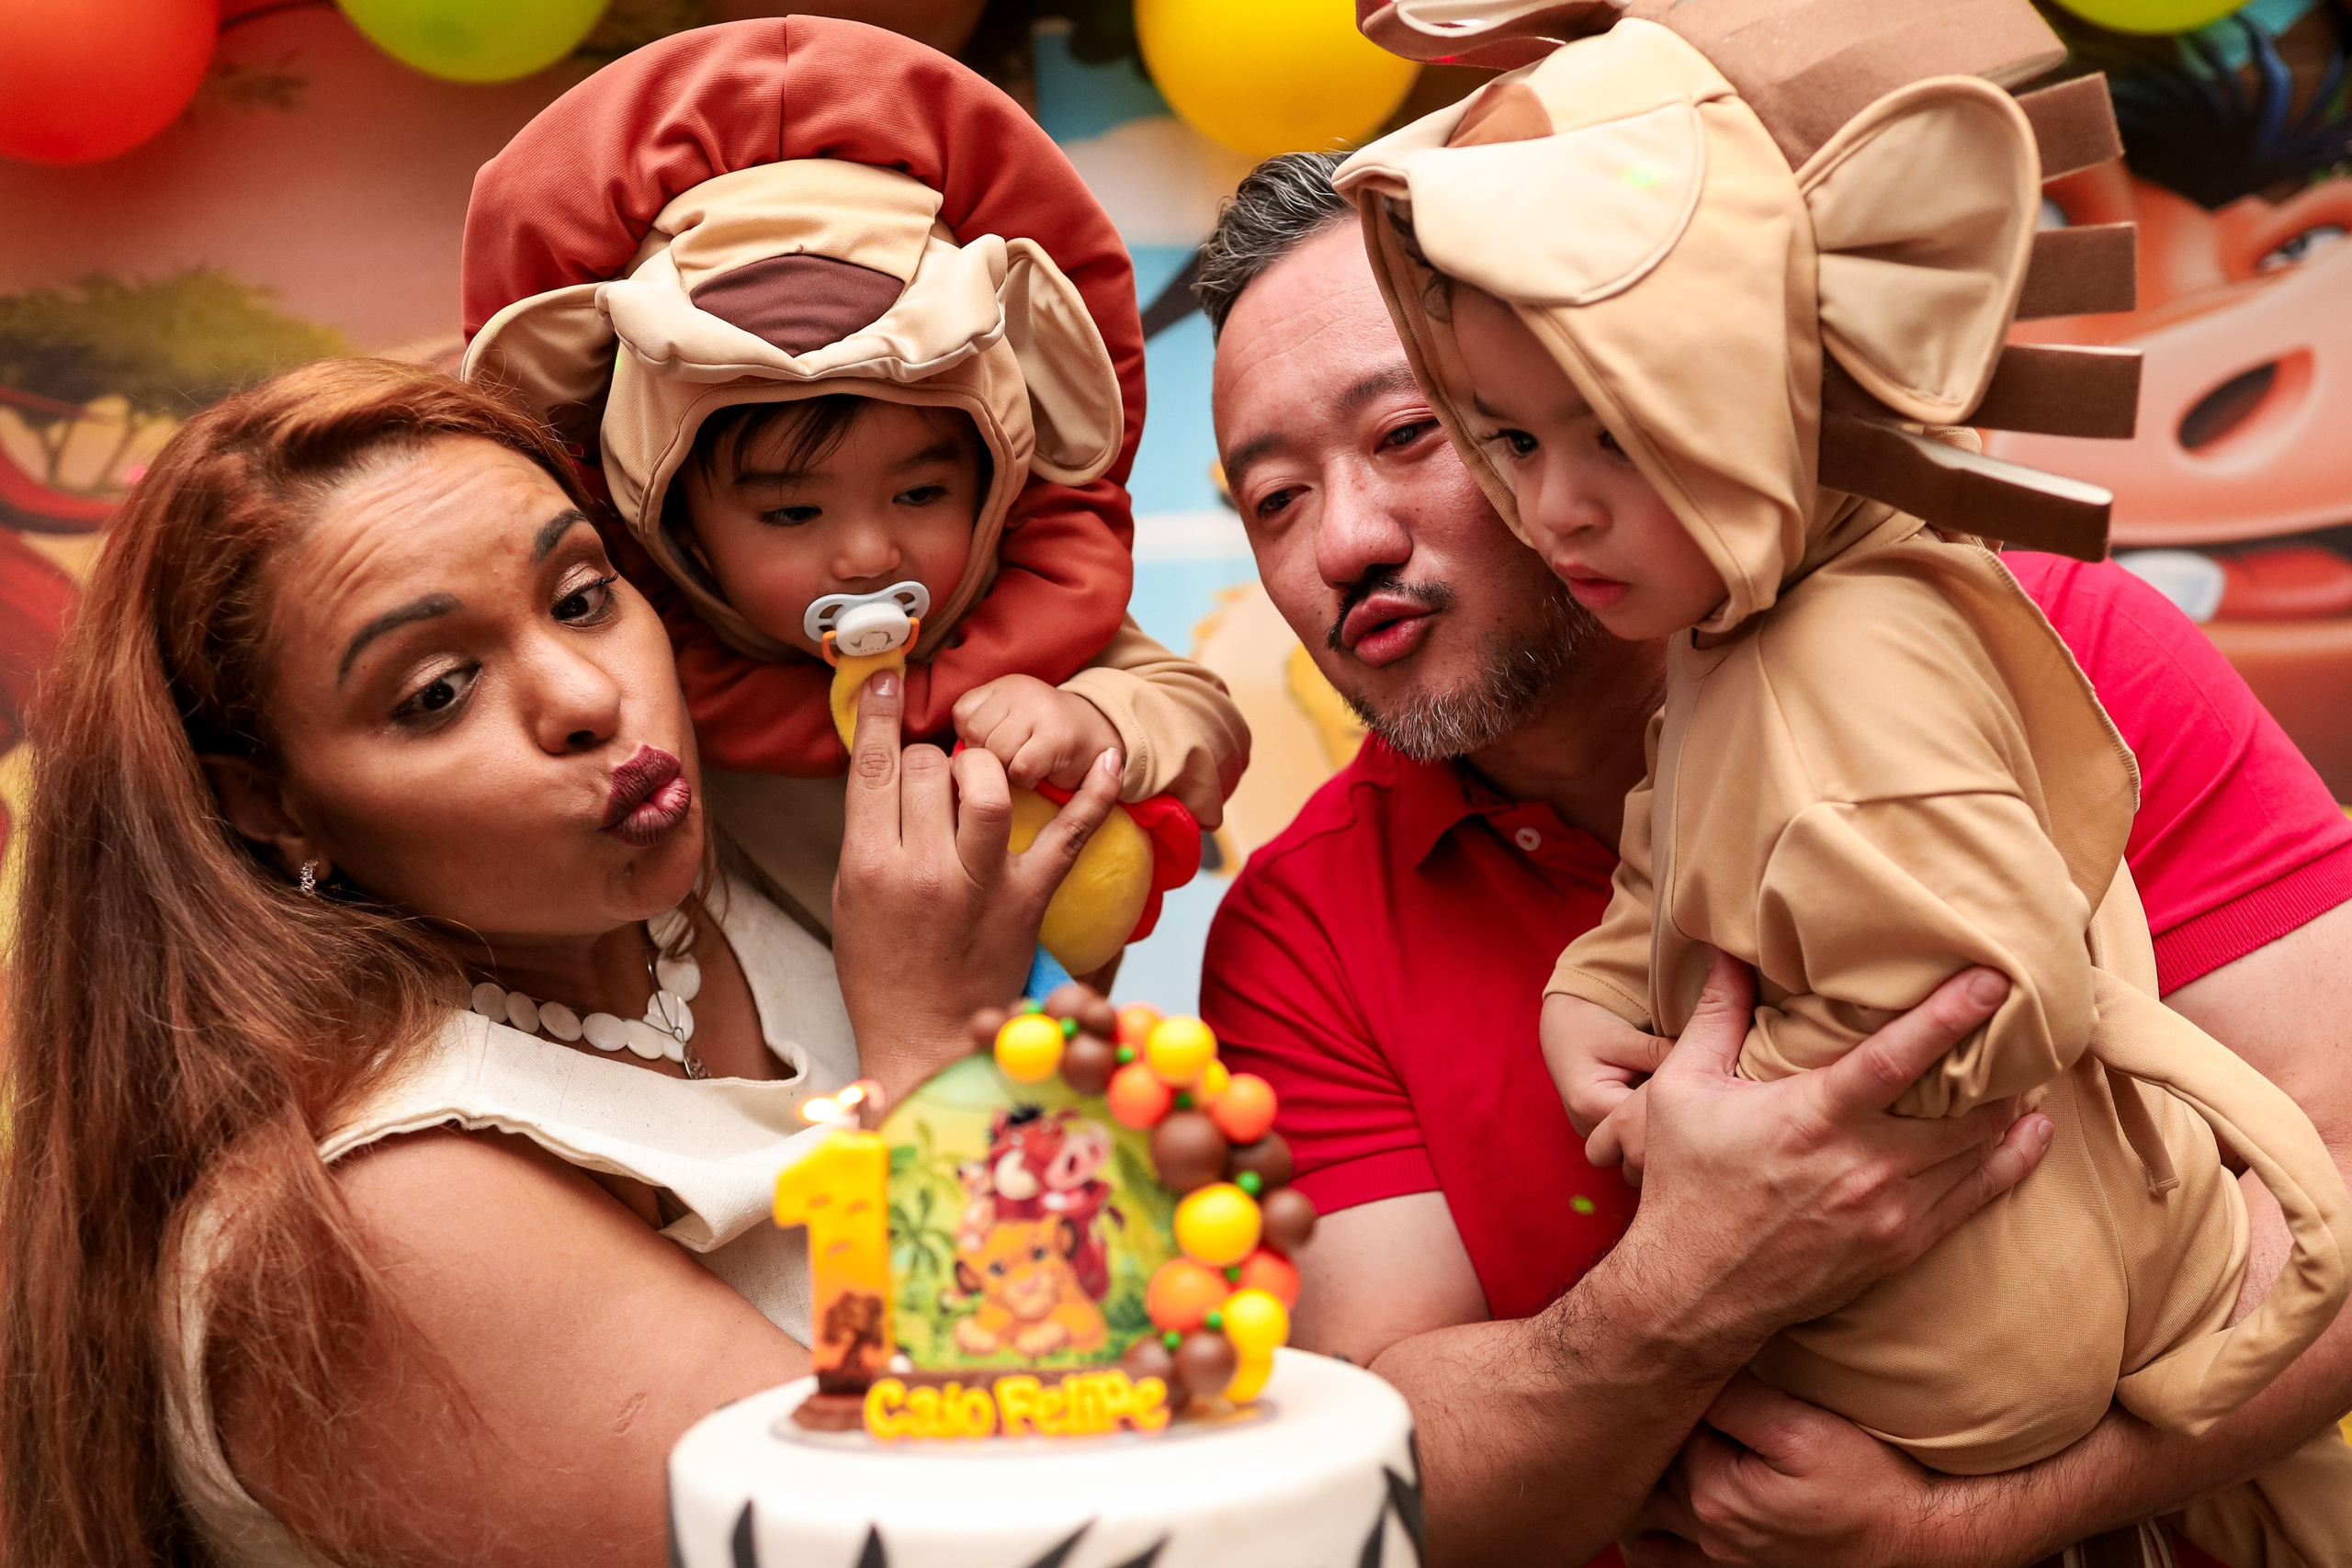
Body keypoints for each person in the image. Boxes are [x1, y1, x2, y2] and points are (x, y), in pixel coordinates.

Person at [1196, 150, 2352, 1567]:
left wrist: (1974, 1521)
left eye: (1409, 433)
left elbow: (2342, 1169)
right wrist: (1694, 1277)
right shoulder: (1301, 925)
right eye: (1273, 500)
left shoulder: (2039, 648)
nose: (1346, 542)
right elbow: (1397, 1462)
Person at [0, 358, 1118, 1568]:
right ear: (271, 804)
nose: (590, 695)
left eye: (582, 595)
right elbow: (941, 1542)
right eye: (436, 690)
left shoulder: (734, 868)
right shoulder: (377, 1215)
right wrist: (940, 1052)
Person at [459, 17, 1249, 954]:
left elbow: (1207, 722)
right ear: (675, 527)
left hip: (1015, 1056)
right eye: (792, 512)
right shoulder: (646, 676)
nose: (870, 553)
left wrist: (1089, 717)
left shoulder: (1017, 619)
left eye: (920, 495)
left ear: (995, 478)